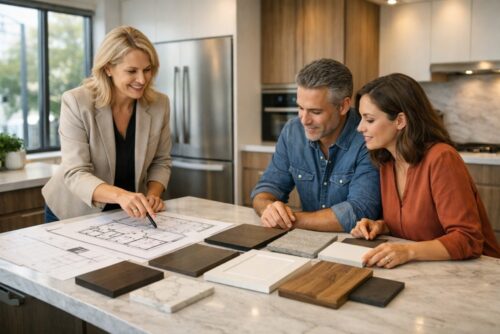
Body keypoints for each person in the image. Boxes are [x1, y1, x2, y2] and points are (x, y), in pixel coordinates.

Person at [353, 73, 500, 268]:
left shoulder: (441, 159)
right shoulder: (387, 161)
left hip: (478, 275)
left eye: (369, 120)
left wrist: (408, 251)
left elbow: (468, 239)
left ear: (400, 121)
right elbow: (418, 225)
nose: (359, 128)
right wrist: (381, 226)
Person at [42, 26, 172, 222]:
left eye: (147, 70)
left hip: (126, 212)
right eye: (131, 71)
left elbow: (160, 161)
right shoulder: (76, 102)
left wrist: (153, 194)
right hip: (74, 211)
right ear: (108, 68)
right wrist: (121, 196)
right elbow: (76, 172)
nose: (142, 79)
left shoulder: (159, 104)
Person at [251, 58, 381, 232]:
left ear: (343, 106)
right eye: (300, 108)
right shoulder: (292, 132)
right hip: (307, 241)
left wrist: (289, 220)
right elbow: (266, 188)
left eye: (315, 111)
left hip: (355, 246)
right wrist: (269, 209)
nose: (304, 120)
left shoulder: (367, 137)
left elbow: (359, 211)